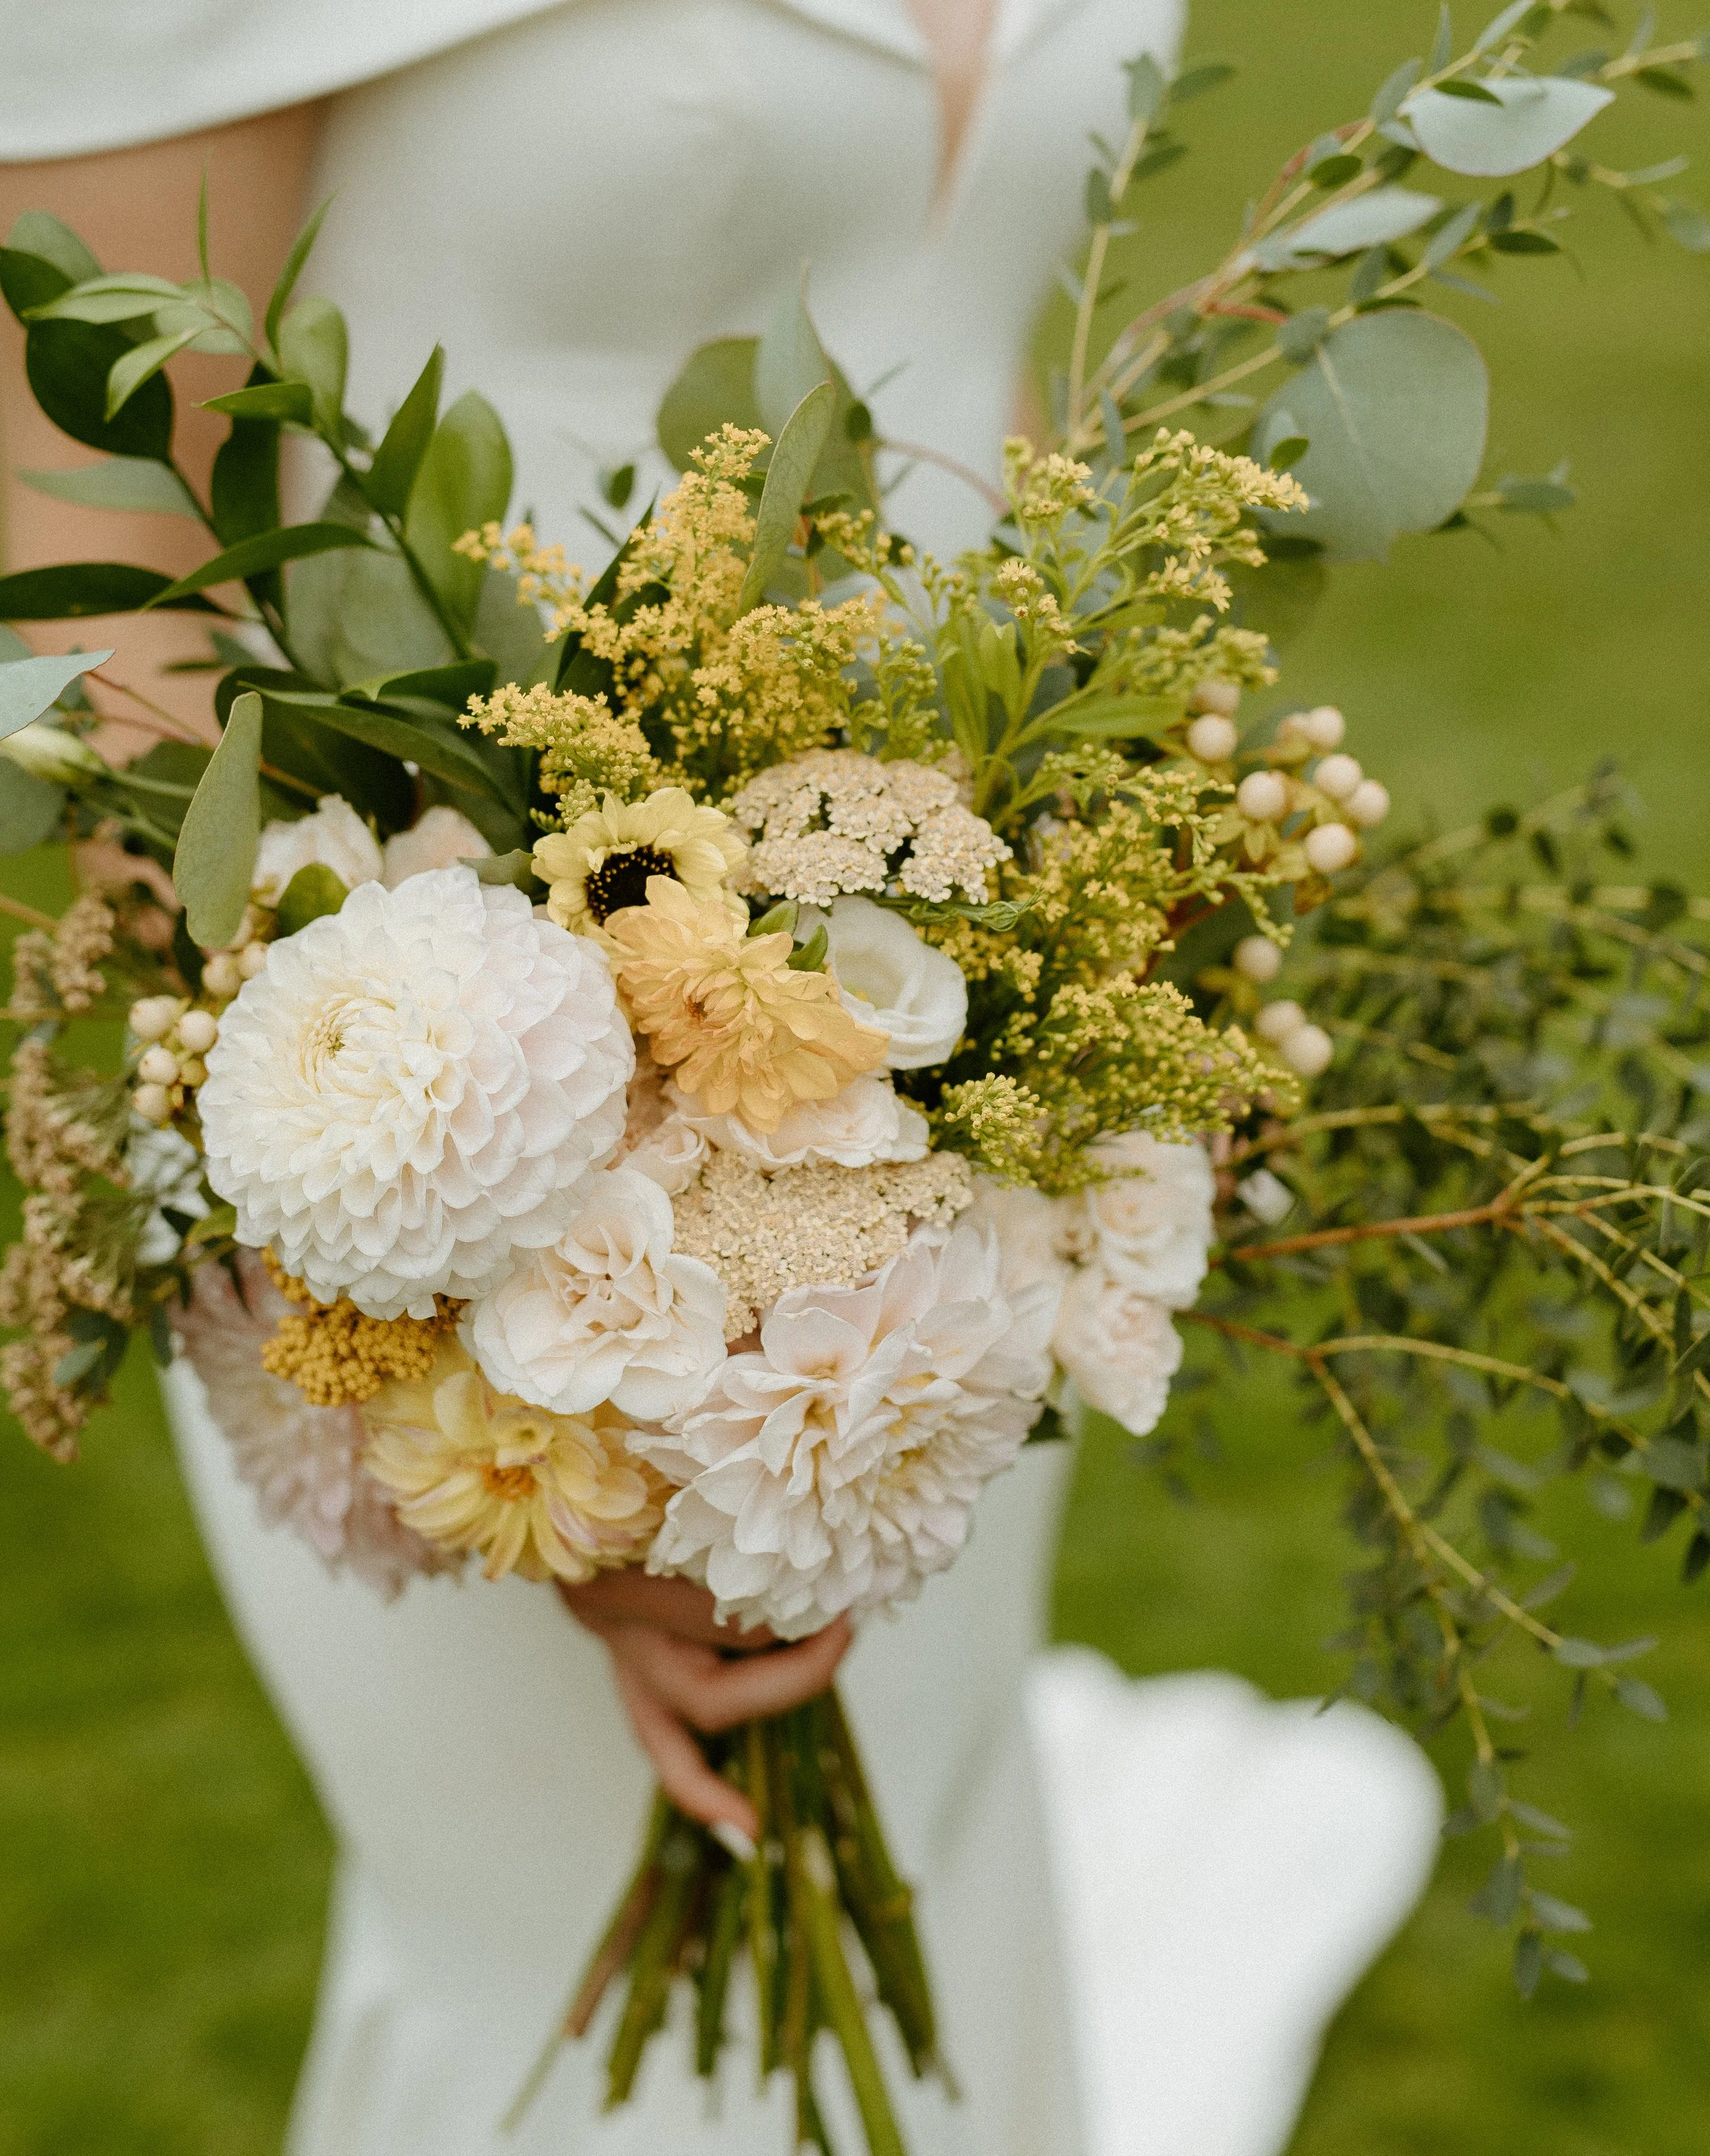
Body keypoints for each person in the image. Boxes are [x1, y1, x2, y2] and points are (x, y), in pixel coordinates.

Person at [0, 7, 1443, 2151]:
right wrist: (513, 1369)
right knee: (579, 2048)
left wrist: (1076, 985)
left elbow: (977, 379)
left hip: (939, 1109)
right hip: (416, 1145)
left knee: (934, 1960)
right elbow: (77, 553)